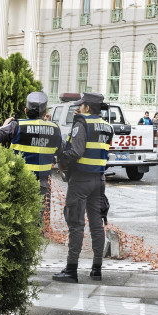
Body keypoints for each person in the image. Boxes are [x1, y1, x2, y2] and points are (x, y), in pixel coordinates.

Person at [53, 92, 112, 283]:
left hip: (80, 180)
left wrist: (62, 159)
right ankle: (97, 269)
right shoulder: (107, 126)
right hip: (99, 180)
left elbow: (76, 151)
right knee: (96, 225)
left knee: (76, 224)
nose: (78, 108)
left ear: (87, 107)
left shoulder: (81, 124)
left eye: (81, 105)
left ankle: (71, 270)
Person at [0, 91, 62, 218]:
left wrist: (4, 126)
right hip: (43, 185)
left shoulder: (16, 126)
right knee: (41, 222)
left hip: (18, 182)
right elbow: (60, 150)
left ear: (26, 111)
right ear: (44, 113)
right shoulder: (55, 128)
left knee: (18, 220)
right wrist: (49, 124)